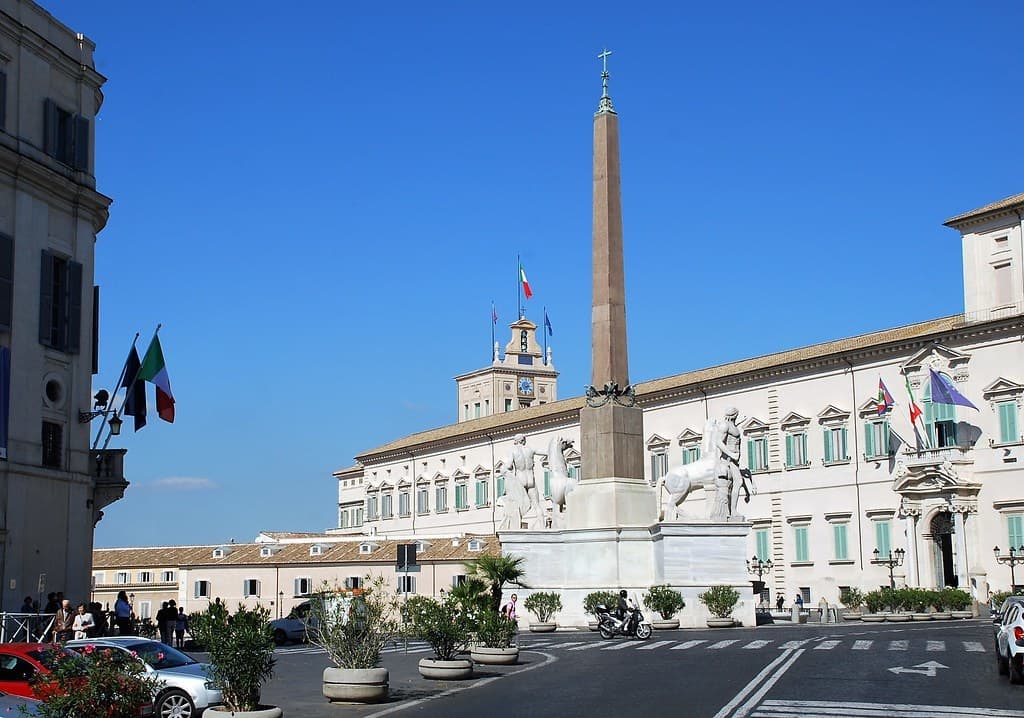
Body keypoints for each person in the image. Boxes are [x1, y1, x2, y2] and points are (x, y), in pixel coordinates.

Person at [500, 434, 547, 524]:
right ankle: (542, 526)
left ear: (515, 441)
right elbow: (545, 452)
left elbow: (509, 465)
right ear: (523, 441)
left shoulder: (513, 451)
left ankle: (517, 525)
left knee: (518, 506)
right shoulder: (530, 449)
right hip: (530, 480)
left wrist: (503, 468)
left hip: (520, 480)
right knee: (537, 505)